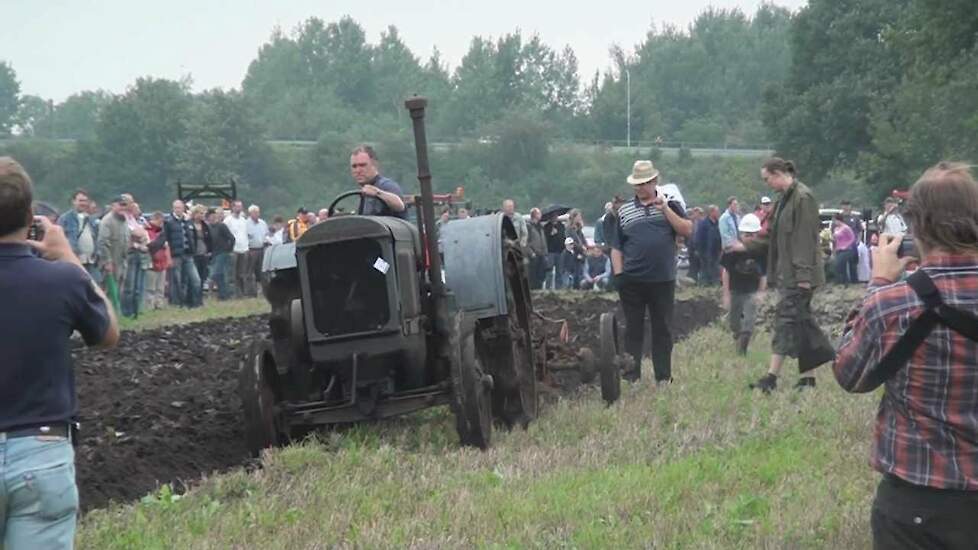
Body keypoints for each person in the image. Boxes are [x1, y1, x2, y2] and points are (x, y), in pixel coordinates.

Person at [834, 162, 978, 549]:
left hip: (917, 497)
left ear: (917, 226)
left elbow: (850, 374)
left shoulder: (895, 303)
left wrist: (879, 282)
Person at [0, 157, 119, 549]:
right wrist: (67, 255)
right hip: (41, 451)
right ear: (31, 215)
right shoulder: (63, 280)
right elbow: (107, 334)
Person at [731, 158, 834, 393]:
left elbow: (805, 240)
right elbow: (773, 239)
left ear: (779, 173)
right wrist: (746, 246)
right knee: (800, 323)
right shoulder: (783, 201)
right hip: (789, 274)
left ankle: (771, 378)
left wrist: (804, 277)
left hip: (798, 276)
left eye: (767, 178)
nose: (767, 184)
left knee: (785, 321)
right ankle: (808, 378)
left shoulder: (802, 198)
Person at [609, 160, 692, 384]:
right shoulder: (625, 211)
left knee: (662, 329)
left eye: (644, 183)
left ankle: (663, 377)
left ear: (655, 181)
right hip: (632, 280)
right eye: (636, 184)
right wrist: (619, 276)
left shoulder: (670, 204)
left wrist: (664, 209)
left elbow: (686, 229)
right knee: (633, 330)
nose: (640, 188)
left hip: (662, 279)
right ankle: (632, 378)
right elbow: (616, 246)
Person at [720, 214, 766, 355]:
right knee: (734, 322)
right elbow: (726, 272)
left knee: (749, 321)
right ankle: (737, 337)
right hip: (735, 290)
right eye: (747, 234)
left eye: (753, 235)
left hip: (751, 291)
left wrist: (761, 292)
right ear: (741, 234)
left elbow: (764, 274)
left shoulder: (760, 251)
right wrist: (726, 294)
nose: (750, 237)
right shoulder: (732, 251)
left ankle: (743, 348)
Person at [149, 199, 201, 308]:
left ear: (183, 208)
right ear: (173, 209)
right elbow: (163, 238)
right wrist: (152, 247)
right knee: (177, 281)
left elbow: (194, 237)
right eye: (175, 208)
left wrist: (194, 249)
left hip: (188, 254)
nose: (177, 210)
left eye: (179, 207)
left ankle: (195, 303)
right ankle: (179, 303)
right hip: (176, 255)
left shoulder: (188, 221)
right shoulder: (169, 222)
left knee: (195, 279)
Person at [96, 196, 132, 314]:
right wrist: (107, 261)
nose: (123, 207)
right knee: (108, 290)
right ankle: (107, 316)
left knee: (118, 290)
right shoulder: (107, 221)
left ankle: (115, 315)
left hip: (122, 262)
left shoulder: (124, 220)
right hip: (111, 262)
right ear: (113, 206)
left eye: (125, 205)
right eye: (120, 205)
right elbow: (103, 242)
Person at [349, 144, 406, 218]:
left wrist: (377, 193)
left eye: (362, 165)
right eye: (354, 166)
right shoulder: (363, 194)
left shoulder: (386, 185)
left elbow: (400, 206)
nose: (358, 170)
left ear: (374, 164)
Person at [56, 189, 100, 280]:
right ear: (73, 201)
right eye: (80, 200)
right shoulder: (65, 219)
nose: (83, 203)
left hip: (90, 261)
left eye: (85, 201)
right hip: (74, 261)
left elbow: (96, 237)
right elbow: (58, 238)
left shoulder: (91, 219)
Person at [121, 201, 150, 318]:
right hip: (130, 254)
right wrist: (139, 234)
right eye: (136, 209)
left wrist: (140, 234)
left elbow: (143, 234)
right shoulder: (125, 219)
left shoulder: (135, 220)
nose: (139, 211)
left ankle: (136, 311)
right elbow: (136, 233)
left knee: (138, 286)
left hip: (140, 254)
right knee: (129, 286)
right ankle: (127, 312)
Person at [143, 211, 170, 310]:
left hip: (162, 261)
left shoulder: (162, 232)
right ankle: (149, 306)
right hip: (152, 262)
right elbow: (149, 245)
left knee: (160, 287)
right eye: (160, 221)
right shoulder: (146, 231)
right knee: (150, 287)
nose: (161, 224)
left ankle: (159, 304)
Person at [207, 209, 235, 301]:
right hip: (213, 254)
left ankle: (225, 293)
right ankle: (224, 295)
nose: (212, 218)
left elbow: (231, 238)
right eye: (210, 216)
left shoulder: (222, 226)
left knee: (215, 274)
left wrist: (229, 249)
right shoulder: (208, 228)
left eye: (213, 216)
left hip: (223, 253)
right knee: (220, 275)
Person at [224, 200, 249, 298]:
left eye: (240, 206)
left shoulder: (244, 220)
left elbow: (245, 234)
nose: (239, 208)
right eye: (237, 206)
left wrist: (247, 247)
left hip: (244, 249)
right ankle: (232, 293)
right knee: (232, 274)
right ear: (233, 207)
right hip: (233, 250)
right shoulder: (228, 220)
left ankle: (242, 293)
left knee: (242, 273)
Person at [694, 206, 721, 285]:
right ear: (711, 213)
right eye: (716, 211)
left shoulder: (717, 223)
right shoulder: (703, 224)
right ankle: (704, 284)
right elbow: (698, 237)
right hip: (705, 250)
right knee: (705, 268)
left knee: (715, 267)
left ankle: (715, 283)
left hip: (715, 250)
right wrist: (698, 249)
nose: (718, 213)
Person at [245, 205, 268, 297]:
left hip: (261, 248)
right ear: (250, 213)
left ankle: (263, 290)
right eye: (254, 212)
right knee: (250, 272)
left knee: (262, 271)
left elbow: (266, 235)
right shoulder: (246, 224)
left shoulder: (262, 223)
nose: (257, 214)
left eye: (258, 212)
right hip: (251, 249)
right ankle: (251, 292)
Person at [190, 204, 212, 297]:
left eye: (203, 213)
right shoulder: (189, 224)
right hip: (193, 254)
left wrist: (210, 251)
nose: (202, 215)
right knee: (195, 277)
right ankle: (193, 295)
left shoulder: (205, 226)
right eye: (201, 213)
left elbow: (210, 239)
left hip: (204, 254)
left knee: (203, 276)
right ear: (195, 214)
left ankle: (199, 296)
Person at [839, 199, 863, 283]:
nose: (846, 207)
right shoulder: (839, 217)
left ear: (850, 206)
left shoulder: (855, 217)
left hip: (853, 243)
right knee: (842, 263)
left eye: (847, 205)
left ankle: (854, 281)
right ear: (841, 206)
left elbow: (860, 230)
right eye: (844, 205)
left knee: (853, 263)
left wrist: (858, 240)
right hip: (841, 244)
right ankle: (843, 282)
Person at [525, 208, 548, 290]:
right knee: (532, 274)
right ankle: (532, 290)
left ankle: (539, 289)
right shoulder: (529, 226)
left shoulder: (540, 227)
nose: (540, 215)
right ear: (534, 215)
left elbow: (543, 240)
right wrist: (531, 253)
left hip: (541, 254)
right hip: (534, 255)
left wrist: (545, 252)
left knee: (541, 274)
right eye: (539, 214)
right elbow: (526, 242)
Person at [831, 214, 857, 284]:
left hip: (846, 249)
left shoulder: (846, 228)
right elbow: (836, 239)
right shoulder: (836, 229)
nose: (834, 222)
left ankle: (845, 281)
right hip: (838, 248)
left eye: (835, 220)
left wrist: (846, 245)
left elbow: (852, 238)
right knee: (838, 266)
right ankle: (841, 281)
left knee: (840, 263)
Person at [543, 213, 566, 289]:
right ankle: (548, 287)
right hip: (550, 251)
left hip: (560, 251)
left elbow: (563, 237)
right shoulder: (547, 226)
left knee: (559, 271)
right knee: (549, 271)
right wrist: (551, 234)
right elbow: (545, 239)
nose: (554, 217)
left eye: (556, 216)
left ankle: (558, 288)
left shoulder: (561, 226)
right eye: (553, 216)